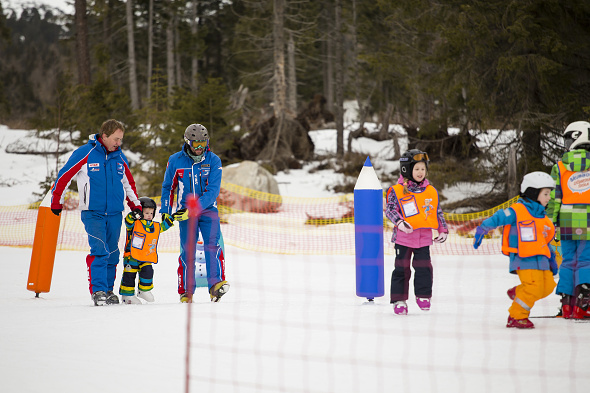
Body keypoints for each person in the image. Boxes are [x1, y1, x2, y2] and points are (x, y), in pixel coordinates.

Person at [50, 119, 142, 306]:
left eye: (121, 139)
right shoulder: (85, 153)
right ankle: (98, 291)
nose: (118, 143)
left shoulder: (119, 156)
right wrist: (57, 200)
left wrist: (136, 205)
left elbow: (128, 183)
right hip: (93, 212)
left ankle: (108, 290)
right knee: (100, 250)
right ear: (105, 136)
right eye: (116, 139)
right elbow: (64, 176)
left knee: (113, 253)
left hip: (115, 213)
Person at [474, 172, 558, 329]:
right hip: (523, 257)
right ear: (533, 192)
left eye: (549, 194)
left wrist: (552, 259)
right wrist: (483, 228)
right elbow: (498, 217)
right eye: (546, 194)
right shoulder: (517, 210)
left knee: (548, 286)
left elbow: (546, 242)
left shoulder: (544, 219)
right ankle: (516, 316)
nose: (549, 198)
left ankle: (519, 292)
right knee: (534, 287)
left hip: (542, 259)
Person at [160, 123, 228, 303]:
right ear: (187, 142)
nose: (199, 148)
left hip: (208, 210)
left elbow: (213, 190)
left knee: (212, 246)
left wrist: (193, 209)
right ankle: (186, 292)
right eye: (195, 143)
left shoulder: (213, 160)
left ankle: (216, 286)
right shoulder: (175, 160)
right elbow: (168, 187)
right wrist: (166, 212)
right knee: (188, 250)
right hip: (185, 214)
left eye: (203, 143)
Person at [385, 149, 449, 315]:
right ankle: (399, 300)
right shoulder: (397, 190)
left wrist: (442, 229)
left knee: (424, 267)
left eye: (423, 169)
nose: (421, 172)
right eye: (417, 169)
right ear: (406, 169)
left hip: (424, 239)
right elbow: (390, 210)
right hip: (404, 238)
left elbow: (437, 212)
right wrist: (399, 223)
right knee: (401, 269)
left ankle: (423, 296)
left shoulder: (431, 191)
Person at [547, 121, 590, 319]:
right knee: (585, 261)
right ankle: (584, 304)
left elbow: (555, 198)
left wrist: (550, 221)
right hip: (588, 222)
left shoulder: (560, 166)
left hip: (566, 222)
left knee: (567, 261)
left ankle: (567, 304)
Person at [119, 197, 176, 304]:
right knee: (129, 275)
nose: (149, 215)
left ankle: (143, 290)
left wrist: (172, 218)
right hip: (131, 256)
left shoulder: (153, 226)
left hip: (145, 256)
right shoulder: (134, 224)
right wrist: (133, 215)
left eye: (151, 213)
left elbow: (162, 227)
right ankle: (127, 295)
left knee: (148, 271)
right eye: (146, 213)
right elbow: (128, 221)